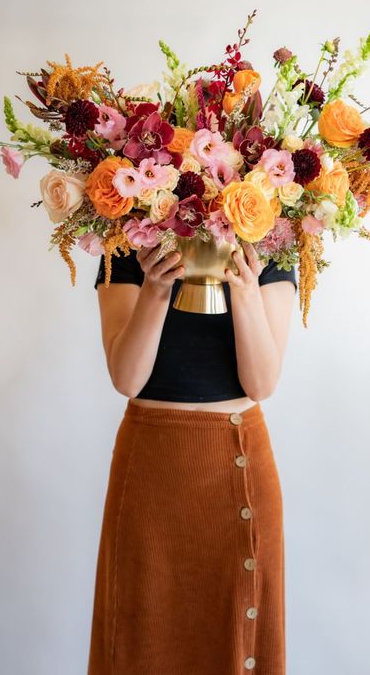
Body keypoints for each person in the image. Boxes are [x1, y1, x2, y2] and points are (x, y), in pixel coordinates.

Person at [87, 239, 297, 675]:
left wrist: (244, 286)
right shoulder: (129, 241)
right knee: (139, 637)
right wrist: (155, 288)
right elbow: (127, 378)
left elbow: (260, 383)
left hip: (238, 461)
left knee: (237, 637)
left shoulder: (274, 235)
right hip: (153, 470)